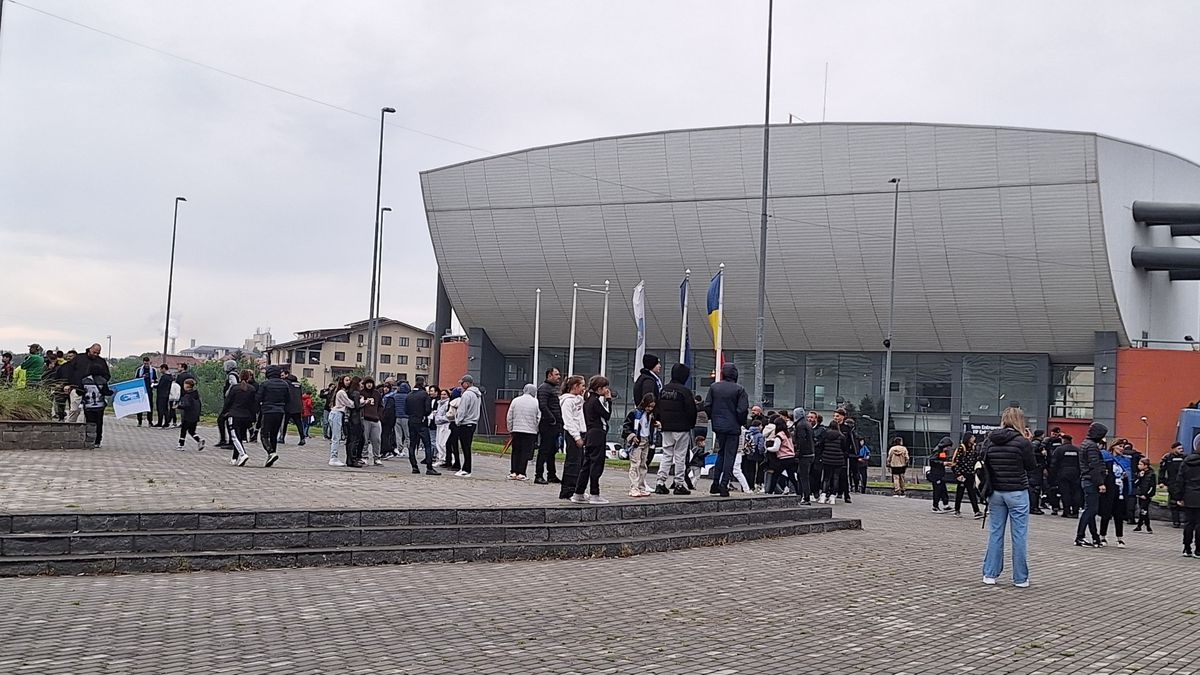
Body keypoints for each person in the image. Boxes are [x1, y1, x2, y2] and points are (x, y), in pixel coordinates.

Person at [980, 406, 1037, 587]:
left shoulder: (990, 440)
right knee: (1019, 535)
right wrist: (1029, 442)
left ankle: (990, 574)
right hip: (1017, 491)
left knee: (995, 533)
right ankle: (1020, 578)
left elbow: (982, 460)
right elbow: (1031, 466)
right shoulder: (1022, 442)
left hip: (995, 492)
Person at [704, 363, 749, 498]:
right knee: (730, 456)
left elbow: (707, 405)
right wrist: (741, 422)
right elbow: (742, 410)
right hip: (733, 426)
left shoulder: (714, 387)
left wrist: (714, 419)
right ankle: (724, 484)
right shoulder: (739, 389)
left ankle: (715, 483)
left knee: (721, 454)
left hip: (719, 426)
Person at [653, 363, 696, 495]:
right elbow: (691, 411)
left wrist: (660, 420)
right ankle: (679, 484)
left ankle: (660, 482)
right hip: (682, 428)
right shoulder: (685, 392)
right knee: (680, 456)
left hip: (666, 427)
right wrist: (690, 425)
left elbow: (658, 408)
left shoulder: (664, 390)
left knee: (667, 454)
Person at [570, 375, 612, 504]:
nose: (607, 390)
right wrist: (609, 400)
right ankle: (595, 493)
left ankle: (579, 492)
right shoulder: (596, 401)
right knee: (596, 465)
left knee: (587, 465)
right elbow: (607, 415)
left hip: (590, 435)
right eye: (605, 387)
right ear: (599, 388)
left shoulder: (587, 400)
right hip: (597, 435)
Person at [1076, 423, 1108, 548]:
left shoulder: (1085, 444)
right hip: (1091, 481)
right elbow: (1094, 466)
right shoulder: (1092, 447)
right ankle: (1080, 536)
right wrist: (1100, 482)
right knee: (1091, 510)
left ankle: (1095, 537)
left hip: (1086, 480)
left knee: (1090, 509)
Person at [221, 369, 258, 467]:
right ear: (249, 377)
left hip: (234, 415)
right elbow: (253, 405)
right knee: (240, 437)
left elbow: (228, 402)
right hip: (246, 416)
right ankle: (234, 458)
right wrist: (253, 418)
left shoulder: (234, 388)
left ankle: (243, 454)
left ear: (239, 377)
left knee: (234, 437)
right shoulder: (252, 389)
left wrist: (224, 413)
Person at [254, 364, 289, 467]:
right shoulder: (285, 384)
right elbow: (288, 399)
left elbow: (258, 398)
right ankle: (272, 456)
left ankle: (271, 452)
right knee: (274, 434)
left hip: (268, 410)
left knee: (264, 434)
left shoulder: (265, 384)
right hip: (280, 411)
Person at [558, 376, 587, 500]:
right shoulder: (567, 401)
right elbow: (568, 420)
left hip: (581, 431)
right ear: (575, 386)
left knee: (581, 463)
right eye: (582, 386)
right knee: (573, 463)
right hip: (573, 433)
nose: (583, 389)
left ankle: (578, 489)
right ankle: (568, 490)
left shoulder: (578, 399)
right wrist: (576, 437)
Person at [633, 355, 663, 469]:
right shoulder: (648, 381)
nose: (659, 366)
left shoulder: (646, 378)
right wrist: (654, 415)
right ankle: (639, 479)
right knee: (646, 448)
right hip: (647, 419)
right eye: (657, 364)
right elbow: (648, 399)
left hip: (648, 417)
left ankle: (641, 479)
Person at [1099, 440, 1131, 548]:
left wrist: (1127, 476)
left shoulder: (1125, 460)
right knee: (1106, 514)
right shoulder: (1106, 458)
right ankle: (1102, 536)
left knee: (1119, 515)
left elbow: (1129, 473)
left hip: (1120, 489)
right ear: (1113, 447)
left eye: (1123, 447)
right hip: (1109, 489)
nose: (1122, 448)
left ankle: (1120, 538)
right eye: (1120, 446)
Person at [623, 393, 656, 497]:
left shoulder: (650, 415)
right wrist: (632, 436)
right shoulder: (635, 413)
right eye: (648, 406)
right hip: (637, 441)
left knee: (643, 464)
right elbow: (626, 426)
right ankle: (634, 487)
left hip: (646, 440)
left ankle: (641, 486)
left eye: (652, 407)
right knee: (635, 464)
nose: (650, 408)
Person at [506, 383, 540, 481]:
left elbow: (510, 416)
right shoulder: (536, 402)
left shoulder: (515, 400)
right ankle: (522, 472)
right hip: (530, 431)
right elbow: (539, 417)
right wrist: (536, 429)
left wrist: (510, 429)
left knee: (516, 451)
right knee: (525, 452)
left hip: (516, 429)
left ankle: (513, 471)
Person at [535, 367, 563, 484]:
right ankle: (538, 475)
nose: (558, 377)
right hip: (548, 424)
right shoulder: (544, 388)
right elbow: (543, 405)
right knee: (544, 450)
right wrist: (552, 419)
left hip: (555, 424)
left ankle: (551, 474)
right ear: (549, 375)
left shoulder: (553, 389)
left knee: (552, 450)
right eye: (556, 374)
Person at [407, 376, 438, 475]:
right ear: (423, 383)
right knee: (427, 444)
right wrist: (423, 415)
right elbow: (428, 410)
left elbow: (406, 410)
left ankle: (414, 467)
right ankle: (429, 467)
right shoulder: (425, 395)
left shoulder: (409, 395)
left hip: (411, 421)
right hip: (422, 422)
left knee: (412, 444)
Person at [1173, 446, 1200, 557]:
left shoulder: (1186, 461)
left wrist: (1179, 497)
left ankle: (1186, 548)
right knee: (1199, 524)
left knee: (1188, 523)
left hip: (1188, 495)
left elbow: (1180, 480)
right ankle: (1198, 549)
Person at [454, 375, 481, 477]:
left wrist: (458, 420)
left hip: (465, 423)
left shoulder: (467, 395)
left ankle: (466, 469)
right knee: (467, 446)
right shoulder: (477, 394)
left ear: (467, 383)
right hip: (473, 422)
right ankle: (466, 467)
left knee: (465, 447)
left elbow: (462, 410)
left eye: (462, 383)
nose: (461, 385)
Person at [951, 434, 983, 519]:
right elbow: (957, 462)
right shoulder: (962, 448)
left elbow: (975, 459)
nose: (974, 439)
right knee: (960, 493)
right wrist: (958, 474)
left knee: (972, 492)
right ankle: (957, 510)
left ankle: (976, 511)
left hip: (970, 474)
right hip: (962, 474)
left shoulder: (973, 448)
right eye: (972, 437)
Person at [79, 363, 110, 449]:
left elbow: (79, 392)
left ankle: (89, 439)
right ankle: (97, 441)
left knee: (89, 423)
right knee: (99, 423)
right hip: (100, 406)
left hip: (88, 406)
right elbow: (106, 392)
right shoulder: (103, 381)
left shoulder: (84, 380)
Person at [1052, 435, 1082, 518]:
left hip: (1063, 473)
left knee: (1065, 493)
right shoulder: (1077, 450)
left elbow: (1054, 462)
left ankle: (1067, 511)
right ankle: (1075, 512)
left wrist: (1054, 474)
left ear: (1063, 440)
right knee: (1076, 492)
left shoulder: (1059, 449)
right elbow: (1081, 462)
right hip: (1075, 473)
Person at [326, 375, 352, 466]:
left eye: (349, 380)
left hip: (336, 414)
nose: (349, 382)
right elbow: (350, 403)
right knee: (336, 437)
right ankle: (333, 457)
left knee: (337, 436)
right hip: (336, 414)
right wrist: (362, 401)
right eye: (347, 380)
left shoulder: (340, 392)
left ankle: (334, 457)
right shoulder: (341, 392)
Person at [277, 367, 306, 446]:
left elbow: (284, 394)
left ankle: (282, 437)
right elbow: (300, 394)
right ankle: (302, 438)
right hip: (298, 406)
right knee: (299, 423)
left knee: (284, 423)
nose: (281, 377)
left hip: (288, 406)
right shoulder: (298, 384)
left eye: (282, 375)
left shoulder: (286, 383)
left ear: (287, 375)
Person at [819, 422, 846, 504]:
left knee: (826, 478)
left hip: (827, 459)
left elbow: (821, 446)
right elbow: (844, 448)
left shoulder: (825, 434)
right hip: (838, 460)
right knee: (836, 478)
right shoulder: (841, 436)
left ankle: (823, 495)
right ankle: (833, 496)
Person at [176, 379, 206, 452]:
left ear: (187, 386)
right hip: (195, 416)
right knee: (191, 431)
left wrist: (178, 406)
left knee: (183, 430)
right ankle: (199, 440)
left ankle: (180, 445)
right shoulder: (196, 394)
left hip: (188, 416)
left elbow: (186, 405)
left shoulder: (187, 396)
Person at [792, 407, 814, 504]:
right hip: (810, 453)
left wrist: (798, 452)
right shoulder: (807, 424)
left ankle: (805, 497)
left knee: (803, 476)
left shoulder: (800, 425)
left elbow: (801, 440)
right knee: (801, 474)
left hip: (804, 454)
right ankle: (801, 495)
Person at [1161, 442, 1187, 528]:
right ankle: (1176, 521)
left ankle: (1186, 521)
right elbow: (1162, 470)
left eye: (1182, 448)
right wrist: (1162, 481)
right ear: (1174, 449)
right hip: (1172, 483)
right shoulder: (1168, 458)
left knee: (1186, 502)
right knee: (1174, 503)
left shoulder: (1185, 458)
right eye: (1179, 449)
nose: (1181, 450)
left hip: (1184, 483)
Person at [214, 360, 238, 447]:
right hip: (232, 401)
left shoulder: (231, 375)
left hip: (229, 401)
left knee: (223, 420)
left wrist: (228, 392)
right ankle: (226, 440)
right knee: (225, 420)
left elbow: (234, 384)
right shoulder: (235, 373)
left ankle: (228, 441)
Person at [360, 378, 384, 466]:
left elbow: (381, 405)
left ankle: (377, 457)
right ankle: (364, 457)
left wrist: (379, 415)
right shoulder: (361, 393)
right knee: (365, 439)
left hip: (375, 419)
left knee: (377, 440)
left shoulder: (377, 393)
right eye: (367, 383)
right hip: (365, 419)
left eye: (371, 383)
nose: (369, 385)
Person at [929, 436, 953, 513]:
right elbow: (932, 461)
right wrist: (943, 463)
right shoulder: (937, 451)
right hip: (936, 474)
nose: (948, 448)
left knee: (943, 489)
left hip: (940, 473)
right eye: (948, 447)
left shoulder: (942, 451)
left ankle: (945, 504)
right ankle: (935, 506)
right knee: (938, 490)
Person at [1133, 457, 1156, 534]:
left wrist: (1147, 495)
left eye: (1140, 464)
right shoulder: (1139, 473)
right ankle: (1143, 526)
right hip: (1140, 494)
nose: (1138, 466)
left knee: (1143, 510)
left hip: (1146, 496)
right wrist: (1140, 477)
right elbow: (1135, 484)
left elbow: (1152, 486)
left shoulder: (1151, 474)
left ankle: (1144, 526)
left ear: (1146, 465)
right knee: (1143, 511)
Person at [393, 379, 412, 458]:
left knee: (398, 435)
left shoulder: (395, 396)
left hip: (397, 417)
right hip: (406, 418)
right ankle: (407, 449)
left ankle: (399, 449)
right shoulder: (408, 396)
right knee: (407, 435)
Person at [433, 389, 451, 465]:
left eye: (445, 394)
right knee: (438, 442)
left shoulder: (448, 404)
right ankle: (441, 458)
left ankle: (446, 458)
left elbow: (448, 415)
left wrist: (439, 417)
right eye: (442, 394)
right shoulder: (439, 403)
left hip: (445, 424)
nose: (443, 396)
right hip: (439, 424)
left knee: (443, 443)